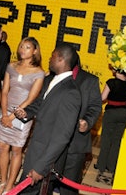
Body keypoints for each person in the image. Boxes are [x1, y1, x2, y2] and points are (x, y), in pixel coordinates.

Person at [14, 43, 81, 194]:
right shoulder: (52, 80)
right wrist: (26, 113)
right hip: (37, 151)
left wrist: (41, 167)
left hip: (45, 159)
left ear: (60, 59)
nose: (49, 59)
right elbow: (40, 104)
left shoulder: (71, 93)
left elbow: (62, 136)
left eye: (52, 56)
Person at [0, 37, 45, 194]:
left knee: (16, 150)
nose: (23, 49)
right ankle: (2, 182)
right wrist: (4, 114)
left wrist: (12, 116)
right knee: (2, 147)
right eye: (22, 46)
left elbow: (31, 98)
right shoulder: (11, 66)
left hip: (22, 115)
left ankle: (10, 186)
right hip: (5, 111)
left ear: (35, 51)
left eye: (27, 47)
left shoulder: (39, 73)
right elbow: (4, 91)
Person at [55, 54, 102, 195]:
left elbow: (95, 107)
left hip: (76, 142)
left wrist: (87, 122)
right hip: (53, 139)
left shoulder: (90, 80)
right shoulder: (53, 76)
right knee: (47, 180)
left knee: (69, 184)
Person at [95, 66, 126, 185]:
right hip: (124, 113)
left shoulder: (111, 82)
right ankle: (112, 166)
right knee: (117, 141)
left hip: (111, 112)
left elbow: (103, 98)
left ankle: (101, 165)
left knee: (106, 139)